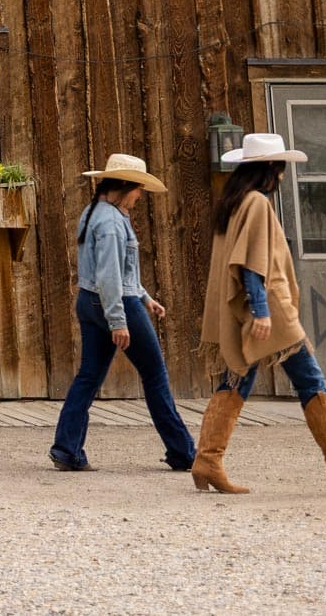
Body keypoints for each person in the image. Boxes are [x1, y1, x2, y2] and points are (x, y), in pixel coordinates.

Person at [190, 131, 326, 495]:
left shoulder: (233, 203)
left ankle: (208, 460)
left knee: (237, 379)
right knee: (311, 379)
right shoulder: (257, 204)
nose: (282, 176)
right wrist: (262, 311)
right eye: (279, 168)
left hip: (253, 309)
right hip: (272, 310)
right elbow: (250, 265)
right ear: (269, 169)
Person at [49, 153, 195, 472]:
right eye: (138, 188)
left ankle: (66, 449)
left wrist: (145, 297)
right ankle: (183, 452)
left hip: (89, 302)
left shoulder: (94, 212)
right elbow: (110, 276)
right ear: (126, 185)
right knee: (155, 375)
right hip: (114, 304)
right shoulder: (114, 222)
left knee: (88, 377)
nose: (140, 195)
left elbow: (115, 270)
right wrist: (119, 320)